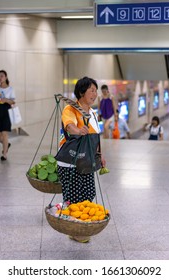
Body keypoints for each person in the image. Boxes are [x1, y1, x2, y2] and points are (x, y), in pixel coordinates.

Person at [57, 76, 106, 243]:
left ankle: (80, 227)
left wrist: (100, 155)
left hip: (86, 161)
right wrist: (78, 130)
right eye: (91, 90)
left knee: (88, 195)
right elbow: (69, 125)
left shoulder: (92, 112)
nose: (95, 94)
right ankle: (75, 231)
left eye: (96, 91)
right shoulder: (70, 109)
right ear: (81, 92)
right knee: (74, 198)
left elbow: (95, 137)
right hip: (70, 162)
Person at [0, 70, 15, 161]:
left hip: (6, 111)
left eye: (1, 76)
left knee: (4, 133)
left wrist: (5, 100)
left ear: (6, 77)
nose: (0, 78)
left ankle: (4, 154)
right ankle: (6, 144)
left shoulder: (10, 89)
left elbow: (13, 101)